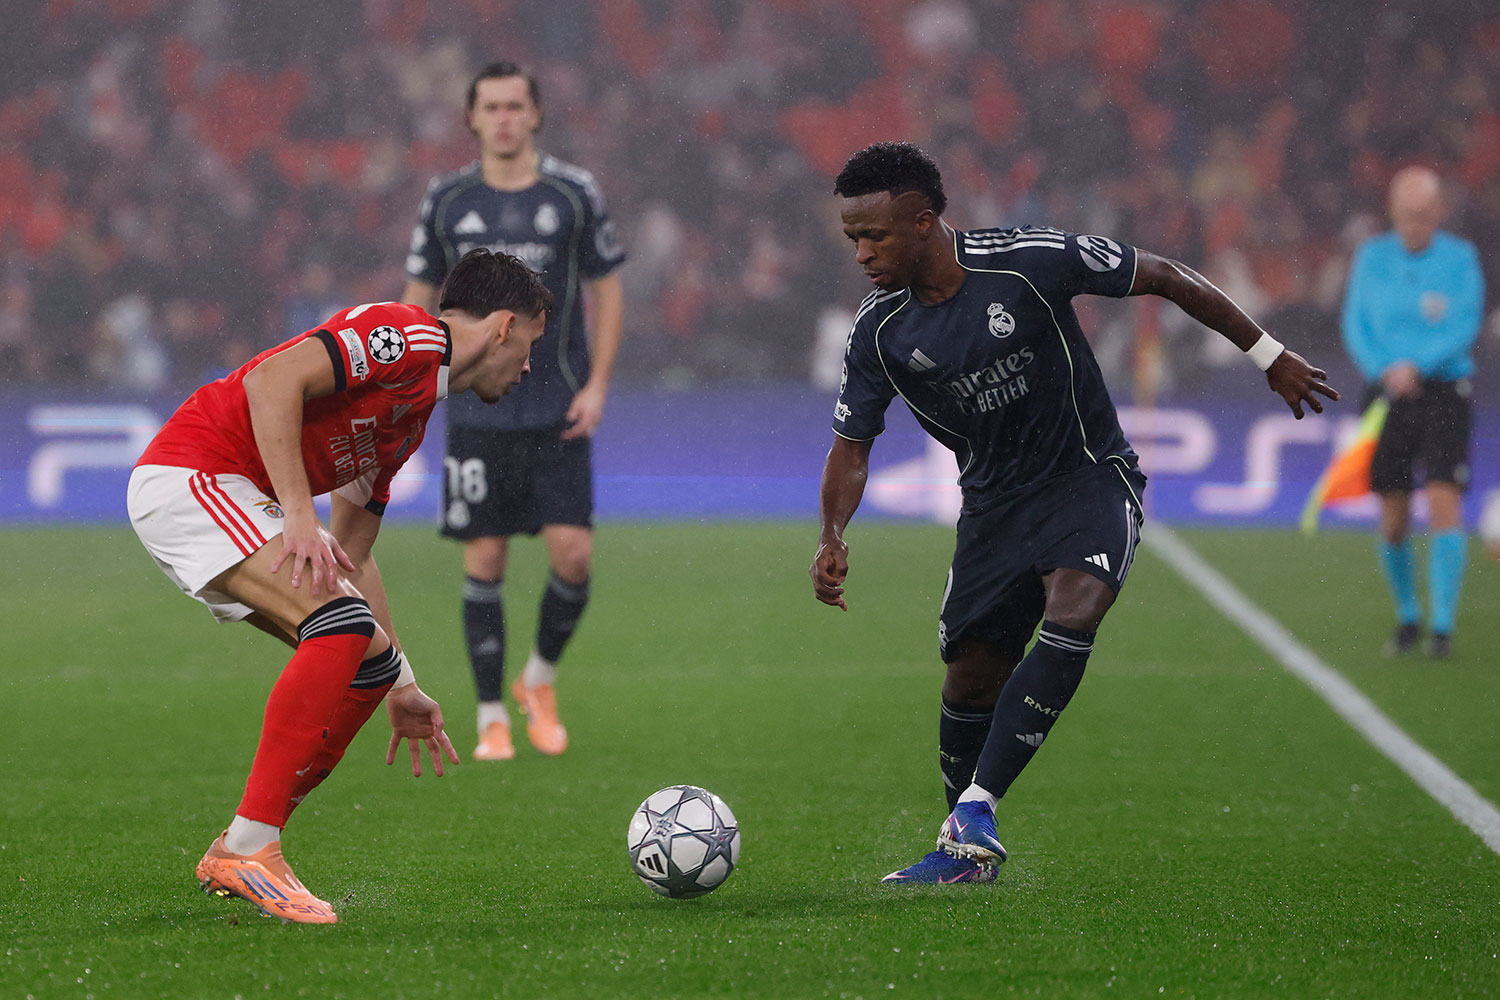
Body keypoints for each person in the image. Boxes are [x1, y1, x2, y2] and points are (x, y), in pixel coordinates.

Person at [808, 141, 1338, 884]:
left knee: (1077, 605)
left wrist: (1269, 355)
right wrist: (832, 535)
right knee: (970, 679)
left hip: (1087, 477)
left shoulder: (1027, 259)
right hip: (992, 507)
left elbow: (1164, 275)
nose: (862, 254)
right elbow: (852, 445)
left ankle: (978, 808)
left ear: (923, 222)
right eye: (853, 239)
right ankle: (961, 849)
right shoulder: (878, 331)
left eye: (875, 236)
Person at [127, 248, 553, 923]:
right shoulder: (406, 336)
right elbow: (271, 380)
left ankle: (244, 840)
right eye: (531, 341)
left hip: (230, 494)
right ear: (504, 326)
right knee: (342, 626)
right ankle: (250, 847)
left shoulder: (410, 418)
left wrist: (402, 682)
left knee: (366, 656)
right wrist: (300, 514)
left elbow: (351, 560)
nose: (528, 365)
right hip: (194, 474)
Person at [402, 61, 625, 761]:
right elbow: (417, 297)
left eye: (514, 106)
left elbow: (608, 290)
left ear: (535, 114)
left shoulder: (573, 193)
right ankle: (492, 714)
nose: (503, 117)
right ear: (472, 117)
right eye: (491, 106)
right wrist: (414, 385)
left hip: (559, 404)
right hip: (478, 409)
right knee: (486, 558)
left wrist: (598, 385)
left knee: (575, 557)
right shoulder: (447, 200)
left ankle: (539, 679)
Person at [1340, 166, 1484, 661]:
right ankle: (1407, 615)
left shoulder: (1460, 259)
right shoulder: (1372, 257)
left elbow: (1465, 323)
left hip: (1443, 390)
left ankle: (1441, 627)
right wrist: (1386, 369)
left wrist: (1415, 365)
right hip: (1387, 392)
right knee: (1394, 515)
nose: (1415, 224)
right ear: (1392, 212)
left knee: (1444, 497)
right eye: (1406, 215)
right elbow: (1356, 324)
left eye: (1423, 214)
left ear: (1439, 212)